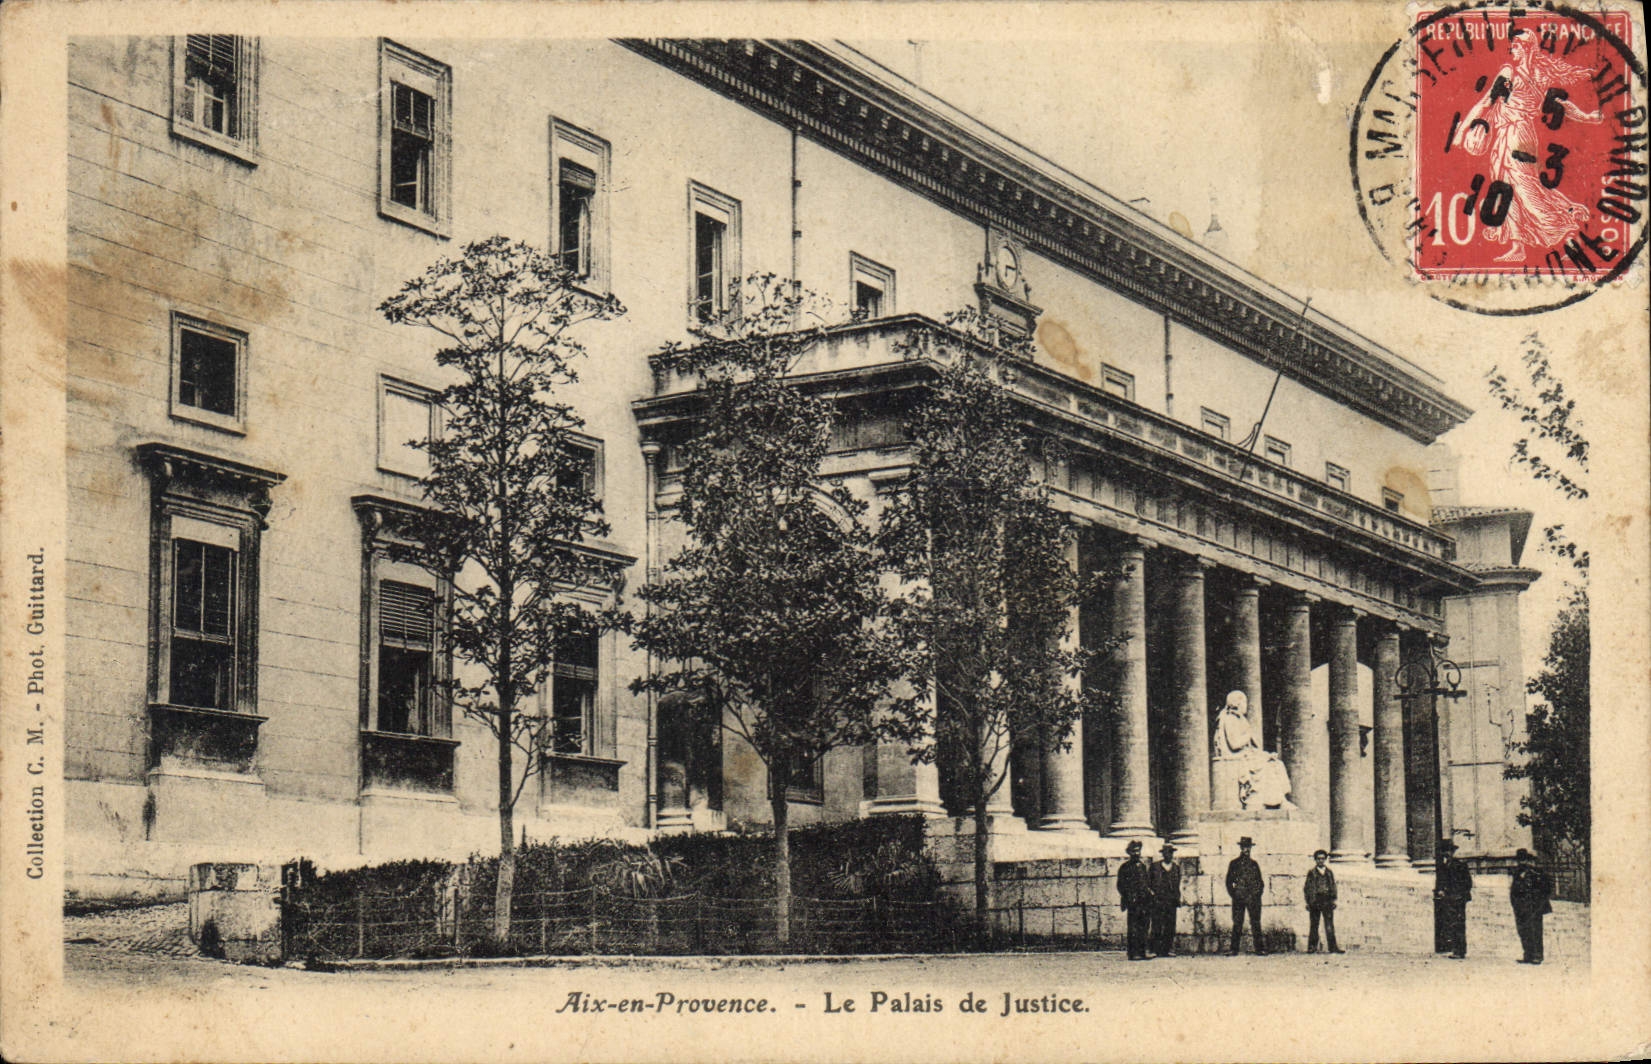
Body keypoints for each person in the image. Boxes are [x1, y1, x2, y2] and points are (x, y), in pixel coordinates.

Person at [1453, 30, 1603, 263]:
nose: (1511, 50)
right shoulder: (1538, 75)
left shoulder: (1510, 73)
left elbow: (1486, 102)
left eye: (1514, 46)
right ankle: (1518, 246)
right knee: (1505, 187)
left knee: (1525, 189)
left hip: (1515, 136)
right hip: (1514, 135)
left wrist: (1462, 132)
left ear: (1524, 48)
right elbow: (1561, 104)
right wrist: (1587, 117)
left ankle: (1568, 230)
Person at [1509, 848, 1554, 964]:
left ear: (1528, 860)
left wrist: (1539, 901)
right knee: (1523, 931)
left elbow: (1546, 888)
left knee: (1535, 931)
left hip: (1534, 907)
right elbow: (1514, 891)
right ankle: (1527, 954)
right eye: (1520, 860)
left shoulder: (1536, 872)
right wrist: (1515, 904)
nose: (1522, 862)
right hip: (1520, 907)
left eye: (1524, 860)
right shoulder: (1517, 873)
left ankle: (1537, 955)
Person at [1225, 836, 1266, 955]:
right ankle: (1234, 949)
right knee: (1237, 923)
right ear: (1240, 848)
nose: (1246, 850)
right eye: (1244, 847)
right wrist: (1234, 894)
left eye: (1248, 847)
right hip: (1239, 898)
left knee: (1256, 923)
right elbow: (1228, 882)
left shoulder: (1254, 864)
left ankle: (1259, 949)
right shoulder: (1234, 864)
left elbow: (1260, 882)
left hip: (1253, 899)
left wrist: (1257, 894)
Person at [1433, 840, 1473, 959]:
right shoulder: (1445, 866)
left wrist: (1460, 895)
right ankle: (1455, 948)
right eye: (1444, 852)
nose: (1446, 854)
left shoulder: (1460, 865)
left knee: (1458, 924)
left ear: (1452, 852)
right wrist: (1440, 890)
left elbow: (1468, 882)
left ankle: (1460, 951)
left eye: (1448, 851)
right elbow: (1441, 881)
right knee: (1451, 923)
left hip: (1458, 899)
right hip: (1449, 899)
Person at [1303, 849, 1344, 954]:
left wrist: (1333, 899)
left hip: (1327, 901)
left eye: (1322, 858)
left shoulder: (1329, 872)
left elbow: (1333, 886)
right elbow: (1308, 888)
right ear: (1315, 860)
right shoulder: (1311, 873)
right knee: (1314, 925)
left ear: (1325, 859)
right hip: (1315, 901)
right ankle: (1312, 947)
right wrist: (1309, 902)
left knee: (1329, 925)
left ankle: (1333, 947)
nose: (1320, 861)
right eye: (1318, 859)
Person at [1117, 840, 1151, 960]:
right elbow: (1120, 885)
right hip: (1133, 901)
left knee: (1144, 926)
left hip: (1144, 901)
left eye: (1138, 851)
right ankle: (1133, 952)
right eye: (1134, 851)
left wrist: (1149, 892)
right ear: (1130, 853)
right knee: (1133, 927)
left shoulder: (1142, 866)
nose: (1137, 854)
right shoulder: (1125, 867)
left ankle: (1143, 951)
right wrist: (1127, 896)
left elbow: (1146, 883)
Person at [1147, 843, 1182, 958]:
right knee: (1156, 925)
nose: (1169, 855)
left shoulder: (1176, 868)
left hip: (1171, 901)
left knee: (1170, 925)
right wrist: (1152, 895)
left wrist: (1177, 897)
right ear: (1163, 854)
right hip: (1158, 900)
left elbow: (1178, 884)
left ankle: (1167, 949)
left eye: (1171, 853)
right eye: (1167, 852)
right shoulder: (1155, 867)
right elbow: (1149, 883)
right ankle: (1154, 949)